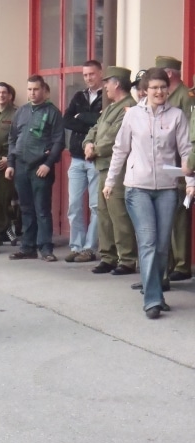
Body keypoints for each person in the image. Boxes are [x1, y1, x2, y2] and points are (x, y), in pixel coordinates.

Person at [102, 68, 194, 319]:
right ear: (144, 90)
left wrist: (190, 182)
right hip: (137, 188)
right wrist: (110, 181)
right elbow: (120, 150)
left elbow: (186, 151)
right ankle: (152, 299)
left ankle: (157, 292)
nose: (159, 92)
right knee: (148, 242)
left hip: (167, 189)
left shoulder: (176, 116)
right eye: (154, 87)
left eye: (163, 87)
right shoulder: (133, 115)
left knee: (162, 246)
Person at [83, 66, 138, 275]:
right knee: (104, 213)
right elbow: (94, 129)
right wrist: (88, 143)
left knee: (119, 214)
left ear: (117, 84)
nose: (105, 86)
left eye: (107, 82)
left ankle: (127, 259)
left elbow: (115, 138)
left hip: (118, 169)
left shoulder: (129, 108)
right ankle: (108, 256)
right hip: (103, 167)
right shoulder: (110, 108)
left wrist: (95, 149)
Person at [5, 74, 65, 262]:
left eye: (36, 89)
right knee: (26, 208)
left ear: (44, 91)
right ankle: (27, 247)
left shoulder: (53, 112)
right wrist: (10, 164)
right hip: (21, 166)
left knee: (42, 209)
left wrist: (48, 164)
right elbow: (12, 139)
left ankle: (46, 248)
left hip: (40, 167)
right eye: (29, 89)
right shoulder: (21, 111)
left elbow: (59, 141)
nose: (32, 93)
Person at [156, 56, 194, 283]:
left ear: (169, 74)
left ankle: (181, 264)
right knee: (168, 216)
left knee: (179, 216)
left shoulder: (185, 97)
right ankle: (168, 263)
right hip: (167, 166)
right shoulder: (169, 96)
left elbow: (189, 135)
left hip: (181, 166)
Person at [62, 60, 104, 263]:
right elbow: (67, 120)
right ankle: (76, 246)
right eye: (85, 75)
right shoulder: (79, 96)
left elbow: (103, 123)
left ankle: (89, 248)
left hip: (96, 158)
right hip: (77, 157)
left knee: (96, 205)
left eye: (92, 74)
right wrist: (90, 118)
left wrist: (82, 117)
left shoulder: (107, 97)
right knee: (74, 205)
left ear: (100, 73)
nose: (88, 78)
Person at [0, 82, 19, 245]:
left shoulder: (16, 113)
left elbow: (18, 139)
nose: (1, 95)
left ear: (9, 96)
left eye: (4, 93)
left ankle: (6, 229)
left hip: (6, 162)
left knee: (4, 198)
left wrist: (9, 159)